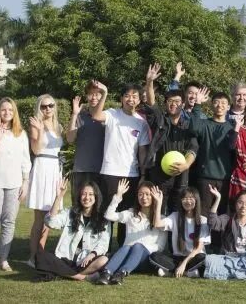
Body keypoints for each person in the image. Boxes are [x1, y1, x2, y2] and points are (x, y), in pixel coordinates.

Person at [89, 80, 152, 246]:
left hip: (132, 175)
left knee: (126, 214)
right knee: (107, 212)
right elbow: (96, 115)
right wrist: (104, 93)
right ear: (122, 98)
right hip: (110, 172)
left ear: (139, 100)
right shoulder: (112, 114)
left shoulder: (142, 123)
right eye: (127, 95)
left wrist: (143, 174)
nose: (130, 99)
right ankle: (103, 248)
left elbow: (142, 151)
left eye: (134, 96)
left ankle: (124, 246)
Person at [0, 97, 31, 273]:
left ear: (14, 112)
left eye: (10, 110)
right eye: (3, 110)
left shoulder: (21, 134)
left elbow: (26, 160)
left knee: (9, 222)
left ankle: (3, 259)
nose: (7, 113)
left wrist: (25, 182)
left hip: (15, 184)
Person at [141, 63, 199, 213]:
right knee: (157, 212)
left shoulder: (188, 125)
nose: (173, 104)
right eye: (170, 101)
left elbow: (193, 148)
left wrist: (186, 165)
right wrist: (149, 82)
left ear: (183, 104)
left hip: (181, 176)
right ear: (166, 104)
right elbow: (151, 103)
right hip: (158, 176)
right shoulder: (160, 120)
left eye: (177, 101)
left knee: (177, 214)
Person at [35, 178, 110, 282]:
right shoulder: (70, 212)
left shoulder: (103, 219)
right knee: (41, 255)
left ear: (96, 197)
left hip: (84, 261)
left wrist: (92, 255)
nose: (87, 197)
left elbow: (104, 244)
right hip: (65, 259)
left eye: (90, 194)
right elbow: (50, 222)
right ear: (79, 196)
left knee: (103, 260)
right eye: (83, 194)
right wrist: (59, 197)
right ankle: (79, 276)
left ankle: (62, 272)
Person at [98, 179, 166, 285]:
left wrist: (139, 247)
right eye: (141, 194)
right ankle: (106, 273)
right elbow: (108, 215)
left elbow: (160, 247)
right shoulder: (131, 214)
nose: (144, 198)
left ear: (154, 196)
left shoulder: (161, 220)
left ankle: (121, 273)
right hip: (126, 255)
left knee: (137, 246)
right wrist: (118, 196)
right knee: (126, 247)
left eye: (148, 194)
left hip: (146, 260)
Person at [185, 91, 241, 214]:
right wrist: (198, 104)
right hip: (205, 178)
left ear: (228, 107)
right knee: (203, 215)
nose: (219, 105)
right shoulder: (204, 124)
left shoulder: (232, 127)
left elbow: (232, 147)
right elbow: (193, 128)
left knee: (220, 217)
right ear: (211, 105)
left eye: (223, 103)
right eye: (216, 102)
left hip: (224, 179)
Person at [26, 93, 64, 266]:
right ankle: (33, 256)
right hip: (42, 167)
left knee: (51, 214)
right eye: (43, 106)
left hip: (55, 169)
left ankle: (41, 253)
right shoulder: (35, 123)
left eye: (50, 105)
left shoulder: (58, 126)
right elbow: (36, 149)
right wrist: (40, 130)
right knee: (40, 217)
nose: (47, 109)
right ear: (39, 108)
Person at [150, 186, 209, 278]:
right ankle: (189, 273)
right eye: (185, 198)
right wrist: (159, 202)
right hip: (177, 258)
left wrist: (184, 263)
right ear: (181, 201)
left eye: (191, 198)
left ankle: (175, 272)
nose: (188, 201)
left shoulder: (203, 220)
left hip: (194, 257)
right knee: (154, 256)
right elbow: (157, 224)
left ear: (196, 200)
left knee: (203, 258)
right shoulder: (175, 216)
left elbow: (198, 248)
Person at [67, 83, 106, 198]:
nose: (94, 97)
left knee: (98, 207)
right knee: (78, 207)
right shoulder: (80, 116)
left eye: (97, 94)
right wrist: (74, 114)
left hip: (101, 170)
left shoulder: (108, 117)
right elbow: (70, 139)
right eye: (90, 94)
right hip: (81, 170)